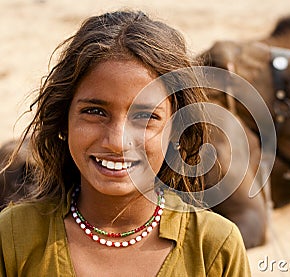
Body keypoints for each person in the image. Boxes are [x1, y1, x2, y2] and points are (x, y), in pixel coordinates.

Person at [0, 10, 251, 276]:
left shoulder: (213, 247)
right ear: (64, 120)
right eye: (95, 111)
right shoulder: (15, 237)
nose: (117, 142)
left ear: (177, 128)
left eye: (145, 116)